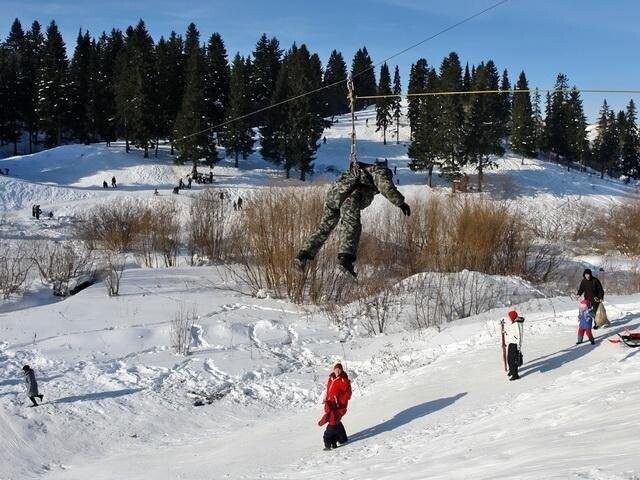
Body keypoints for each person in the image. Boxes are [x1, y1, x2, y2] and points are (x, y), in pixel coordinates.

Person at [295, 161, 410, 277]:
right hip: (349, 197)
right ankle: (346, 260)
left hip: (333, 196)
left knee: (324, 228)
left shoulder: (360, 171)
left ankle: (302, 256)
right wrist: (401, 203)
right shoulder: (381, 171)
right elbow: (386, 186)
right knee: (351, 226)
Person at [318, 363, 351, 450]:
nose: (337, 371)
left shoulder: (344, 380)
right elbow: (328, 390)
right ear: (334, 370)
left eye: (339, 369)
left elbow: (348, 394)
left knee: (333, 421)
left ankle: (333, 441)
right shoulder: (331, 378)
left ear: (342, 370)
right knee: (336, 421)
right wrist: (325, 398)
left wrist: (339, 401)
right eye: (336, 369)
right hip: (330, 403)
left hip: (338, 405)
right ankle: (343, 439)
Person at [504, 310, 524, 380]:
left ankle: (515, 375)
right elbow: (512, 333)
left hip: (515, 344)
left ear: (512, 317)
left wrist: (518, 347)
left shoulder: (517, 324)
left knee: (513, 360)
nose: (509, 318)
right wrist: (505, 333)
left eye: (509, 317)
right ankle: (512, 371)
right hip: (511, 343)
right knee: (509, 359)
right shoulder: (513, 323)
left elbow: (519, 335)